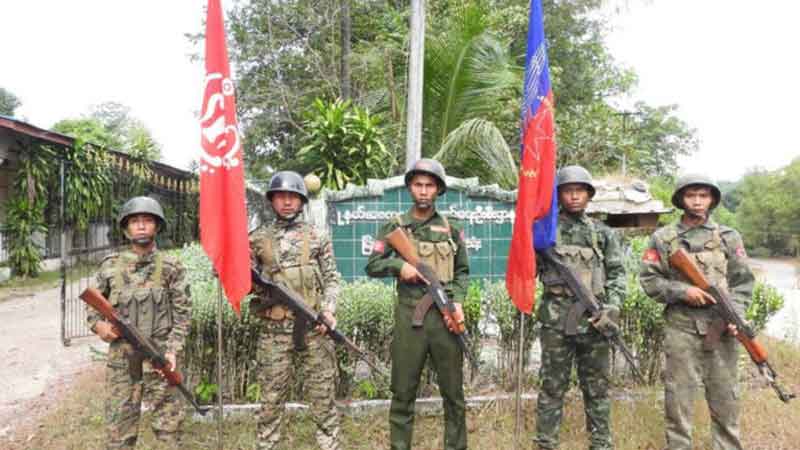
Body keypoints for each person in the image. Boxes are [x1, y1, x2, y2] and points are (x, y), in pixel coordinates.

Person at [640, 174, 754, 450]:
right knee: (678, 401)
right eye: (691, 195)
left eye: (704, 195)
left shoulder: (729, 236)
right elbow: (649, 280)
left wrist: (735, 316)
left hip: (722, 330)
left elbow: (743, 282)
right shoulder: (663, 238)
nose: (698, 201)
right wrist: (683, 292)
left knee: (726, 399)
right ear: (681, 199)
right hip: (681, 328)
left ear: (713, 199)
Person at [365, 158, 469, 450]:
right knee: (403, 392)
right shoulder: (394, 226)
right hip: (411, 318)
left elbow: (462, 272)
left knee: (453, 393)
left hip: (445, 317)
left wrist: (458, 302)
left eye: (430, 185)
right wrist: (400, 267)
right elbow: (373, 264)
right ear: (410, 188)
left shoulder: (452, 228)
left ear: (438, 190)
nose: (424, 191)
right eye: (418, 185)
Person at [533, 165, 626, 450]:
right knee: (551, 388)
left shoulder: (602, 233)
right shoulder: (545, 232)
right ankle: (546, 444)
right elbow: (528, 269)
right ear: (559, 195)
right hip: (555, 322)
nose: (574, 196)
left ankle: (601, 444)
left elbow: (618, 273)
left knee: (597, 389)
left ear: (589, 195)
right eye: (568, 191)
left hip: (595, 322)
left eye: (580, 191)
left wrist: (611, 308)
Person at [88, 196, 192, 449]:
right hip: (122, 362)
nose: (142, 226)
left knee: (168, 430)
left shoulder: (171, 267)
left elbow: (183, 314)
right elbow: (92, 307)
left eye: (148, 221)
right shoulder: (110, 267)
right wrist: (98, 326)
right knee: (119, 429)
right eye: (135, 221)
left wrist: (172, 350)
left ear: (157, 227)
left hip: (159, 358)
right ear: (126, 228)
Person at [249, 170, 342, 450]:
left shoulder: (317, 237)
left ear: (301, 201)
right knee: (270, 401)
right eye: (281, 197)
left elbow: (332, 279)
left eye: (293, 197)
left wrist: (328, 309)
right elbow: (242, 281)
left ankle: (329, 445)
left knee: (323, 398)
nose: (287, 202)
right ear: (272, 201)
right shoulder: (256, 239)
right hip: (274, 333)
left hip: (314, 329)